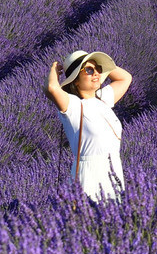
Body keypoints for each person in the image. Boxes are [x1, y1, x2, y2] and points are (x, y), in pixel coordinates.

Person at [44, 49, 133, 202]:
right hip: (89, 175)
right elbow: (52, 88)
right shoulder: (73, 106)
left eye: (98, 69)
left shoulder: (102, 99)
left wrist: (101, 64)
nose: (96, 74)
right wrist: (54, 71)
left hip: (113, 172)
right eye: (89, 70)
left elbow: (125, 78)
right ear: (76, 80)